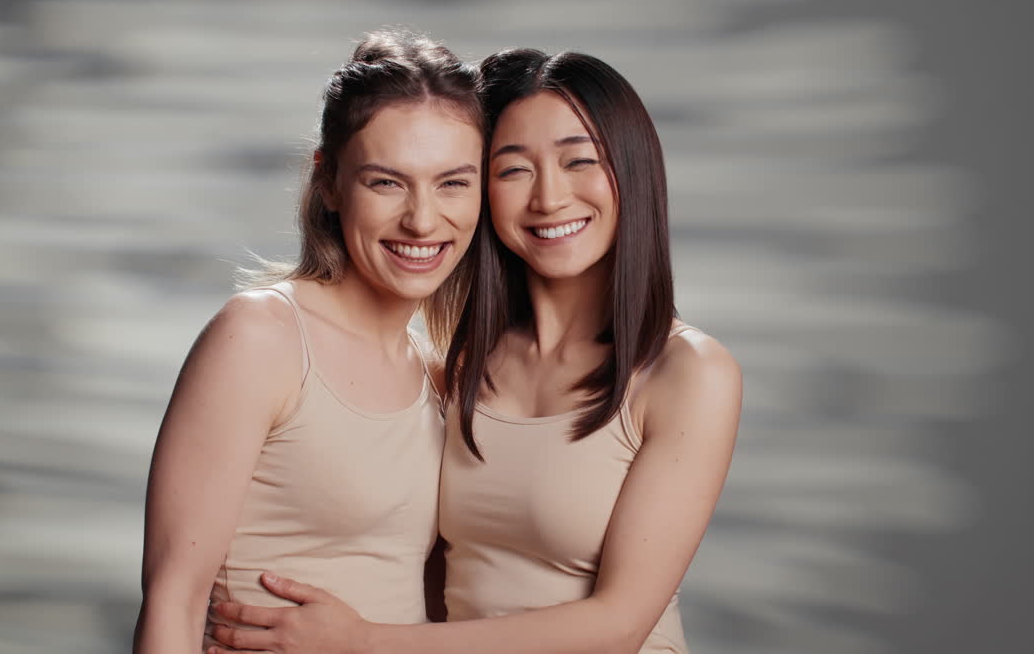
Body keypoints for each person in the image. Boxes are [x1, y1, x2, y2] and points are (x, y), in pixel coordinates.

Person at [207, 48, 742, 654]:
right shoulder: (453, 368)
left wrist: (364, 642)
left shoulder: (688, 372)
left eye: (579, 162)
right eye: (514, 170)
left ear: (634, 173)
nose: (549, 198)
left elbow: (619, 625)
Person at [132, 29, 487, 653]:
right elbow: (173, 600)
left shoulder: (437, 375)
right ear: (328, 182)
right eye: (387, 183)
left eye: (453, 183)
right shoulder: (261, 339)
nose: (423, 220)